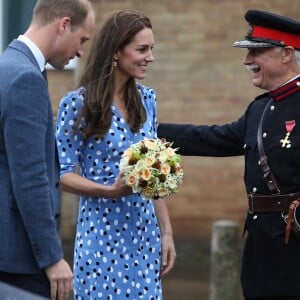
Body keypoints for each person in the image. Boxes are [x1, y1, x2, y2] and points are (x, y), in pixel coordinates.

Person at [158, 9, 300, 300]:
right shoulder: (259, 109)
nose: (247, 61)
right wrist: (147, 128)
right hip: (261, 250)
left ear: (286, 54)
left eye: (256, 52)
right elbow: (212, 138)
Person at [55, 9, 176, 300]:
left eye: (152, 49)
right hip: (100, 237)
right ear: (115, 51)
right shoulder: (77, 104)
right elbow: (61, 173)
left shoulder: (148, 99)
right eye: (142, 49)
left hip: (144, 236)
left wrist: (167, 233)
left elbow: (153, 175)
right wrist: (108, 191)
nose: (150, 57)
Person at [0, 0, 95, 299]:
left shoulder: (8, 65)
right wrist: (52, 258)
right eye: (82, 40)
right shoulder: (25, 78)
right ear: (63, 25)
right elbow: (30, 178)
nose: (80, 51)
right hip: (19, 259)